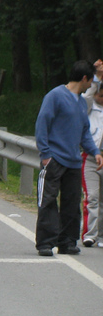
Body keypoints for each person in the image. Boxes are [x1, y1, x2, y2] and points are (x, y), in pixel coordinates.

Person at [35, 60, 103, 256]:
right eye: (90, 81)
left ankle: (67, 242)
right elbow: (42, 124)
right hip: (54, 159)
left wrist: (95, 152)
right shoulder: (55, 96)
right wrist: (45, 154)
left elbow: (84, 133)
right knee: (48, 201)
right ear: (84, 78)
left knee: (72, 203)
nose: (91, 85)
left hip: (74, 161)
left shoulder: (82, 102)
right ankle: (46, 243)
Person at [80, 60, 103, 247]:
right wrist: (96, 77)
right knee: (92, 197)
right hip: (91, 158)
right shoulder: (88, 106)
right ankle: (89, 234)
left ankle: (101, 235)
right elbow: (86, 94)